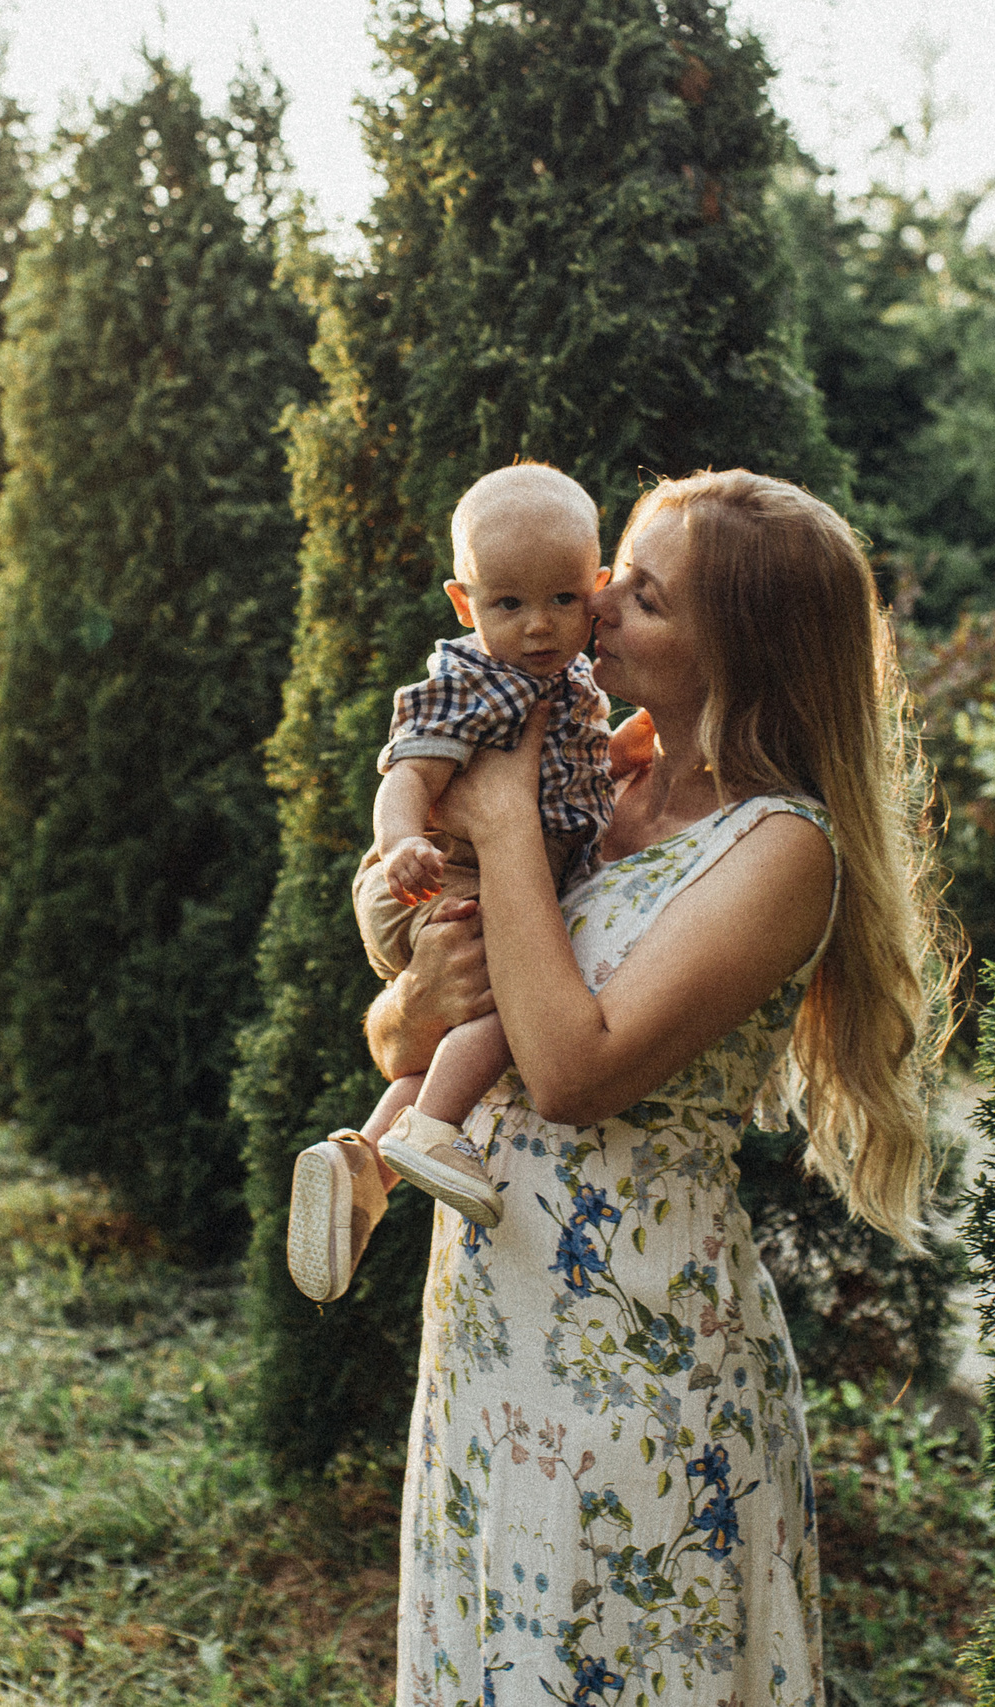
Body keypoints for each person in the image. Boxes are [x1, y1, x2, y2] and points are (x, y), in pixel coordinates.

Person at [355, 470, 943, 1706]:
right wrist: (410, 1001)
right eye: (618, 568)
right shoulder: (595, 780)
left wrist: (504, 822)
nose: (601, 600)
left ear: (743, 650)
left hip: (636, 1348)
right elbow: (408, 1051)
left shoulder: (777, 850)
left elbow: (571, 1075)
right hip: (486, 1324)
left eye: (650, 596)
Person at [290, 464, 621, 1302]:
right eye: (509, 604)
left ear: (598, 589)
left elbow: (564, 778)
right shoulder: (471, 679)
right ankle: (433, 1131)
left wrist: (618, 757)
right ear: (463, 602)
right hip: (435, 874)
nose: (540, 626)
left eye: (562, 601)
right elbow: (406, 774)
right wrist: (400, 841)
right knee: (516, 997)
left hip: (467, 880)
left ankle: (363, 1164)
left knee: (465, 1037)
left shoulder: (569, 681)